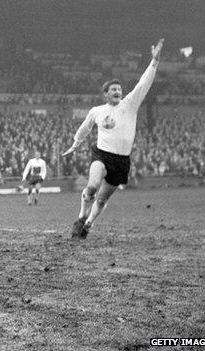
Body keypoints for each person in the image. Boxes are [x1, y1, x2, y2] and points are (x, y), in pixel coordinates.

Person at [62, 38, 164, 240]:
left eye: (119, 89)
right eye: (113, 90)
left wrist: (154, 62)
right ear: (105, 94)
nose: (118, 91)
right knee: (91, 187)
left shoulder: (130, 105)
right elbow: (85, 128)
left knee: (101, 200)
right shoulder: (97, 111)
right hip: (101, 155)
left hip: (122, 161)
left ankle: (88, 225)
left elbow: (143, 84)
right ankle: (81, 217)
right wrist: (75, 144)